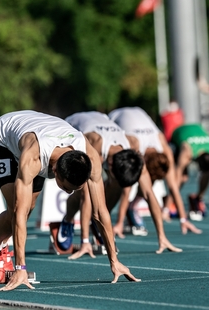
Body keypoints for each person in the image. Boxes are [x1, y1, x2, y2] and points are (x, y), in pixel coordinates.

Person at [0, 110, 140, 291]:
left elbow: (100, 212)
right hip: (3, 135)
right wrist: (20, 268)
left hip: (42, 128)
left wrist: (114, 260)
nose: (69, 192)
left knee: (31, 206)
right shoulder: (32, 160)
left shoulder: (90, 156)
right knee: (17, 209)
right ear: (55, 171)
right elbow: (19, 214)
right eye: (67, 188)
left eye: (75, 189)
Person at [57, 111, 182, 260]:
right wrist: (85, 241)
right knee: (81, 188)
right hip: (72, 125)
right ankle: (68, 220)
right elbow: (86, 196)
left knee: (116, 186)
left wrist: (162, 236)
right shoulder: (94, 147)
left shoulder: (132, 150)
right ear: (109, 165)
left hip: (101, 120)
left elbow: (149, 193)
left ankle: (97, 224)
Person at [109, 107, 201, 235]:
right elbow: (126, 190)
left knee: (146, 182)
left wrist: (183, 219)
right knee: (119, 180)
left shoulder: (165, 150)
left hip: (139, 112)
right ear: (144, 161)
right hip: (114, 117)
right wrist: (119, 223)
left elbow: (173, 187)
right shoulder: (133, 144)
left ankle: (132, 207)